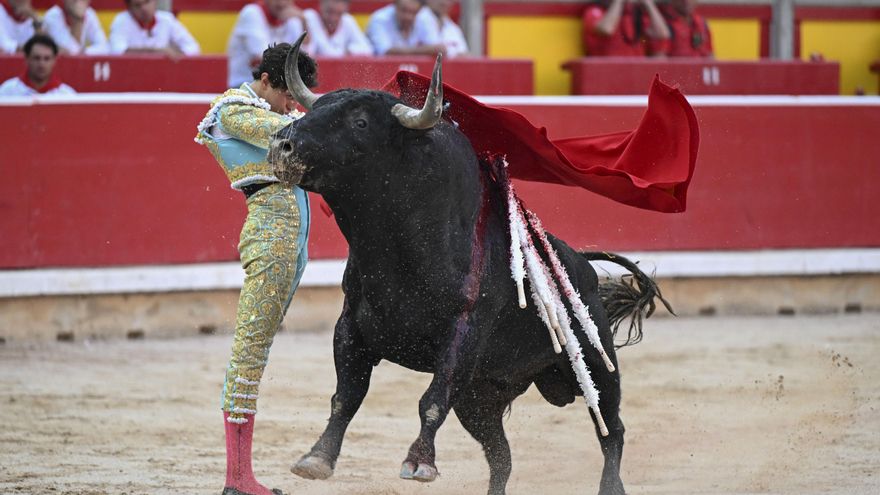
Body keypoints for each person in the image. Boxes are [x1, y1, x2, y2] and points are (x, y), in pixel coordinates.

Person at [194, 42, 318, 495]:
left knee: (257, 351)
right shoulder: (231, 110)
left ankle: (240, 478)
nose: (292, 105)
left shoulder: (270, 110)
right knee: (248, 352)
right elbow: (285, 131)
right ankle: (237, 480)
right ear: (266, 81)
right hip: (270, 238)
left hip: (293, 244)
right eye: (289, 95)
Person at [227, 0, 305, 88]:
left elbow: (305, 53)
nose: (281, 3)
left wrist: (304, 23)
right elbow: (264, 55)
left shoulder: (290, 18)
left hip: (273, 85)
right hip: (245, 85)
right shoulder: (251, 13)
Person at [108, 0, 200, 57]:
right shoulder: (121, 21)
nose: (144, 8)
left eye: (147, 2)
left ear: (155, 1)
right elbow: (117, 52)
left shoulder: (167, 19)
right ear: (129, 7)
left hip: (163, 74)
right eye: (137, 5)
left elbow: (193, 48)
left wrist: (176, 54)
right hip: (131, 75)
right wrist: (158, 52)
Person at [582, 0, 669, 57]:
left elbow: (662, 34)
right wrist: (618, 2)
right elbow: (607, 29)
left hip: (635, 70)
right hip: (605, 70)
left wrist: (648, 3)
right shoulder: (593, 11)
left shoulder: (634, 14)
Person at [0, 33, 75, 96]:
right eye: (36, 58)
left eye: (47, 58)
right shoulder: (7, 91)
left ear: (54, 60)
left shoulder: (67, 95)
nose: (41, 64)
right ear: (27, 59)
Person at [366, 0, 444, 56]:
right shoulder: (380, 18)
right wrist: (425, 50)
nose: (408, 17)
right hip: (380, 71)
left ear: (419, 10)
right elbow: (386, 52)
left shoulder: (424, 16)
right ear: (395, 5)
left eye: (413, 12)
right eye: (404, 10)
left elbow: (438, 49)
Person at [302, 0, 372, 57]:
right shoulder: (308, 18)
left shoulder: (347, 20)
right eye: (330, 12)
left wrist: (348, 51)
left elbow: (367, 50)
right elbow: (306, 53)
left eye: (339, 13)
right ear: (321, 4)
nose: (333, 18)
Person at [43, 0, 110, 55]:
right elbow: (70, 51)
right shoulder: (52, 16)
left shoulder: (89, 13)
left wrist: (85, 52)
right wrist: (78, 20)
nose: (78, 2)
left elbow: (105, 47)